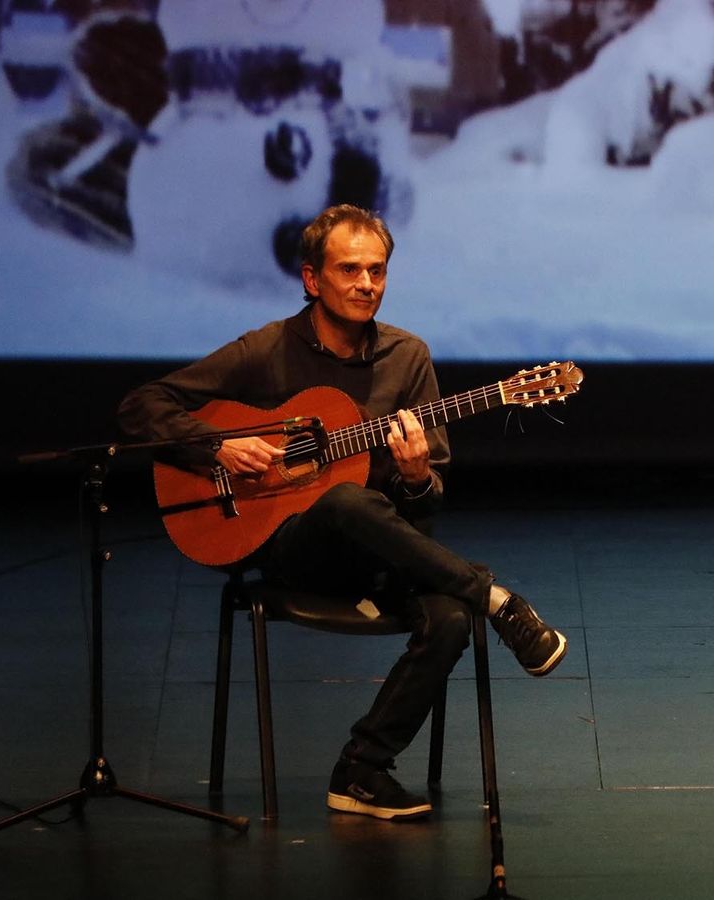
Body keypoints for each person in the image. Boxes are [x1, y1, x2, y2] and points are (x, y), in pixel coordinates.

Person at [117, 204, 567, 821]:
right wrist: (216, 445)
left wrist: (414, 477)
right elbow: (143, 404)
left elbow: (428, 505)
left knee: (450, 616)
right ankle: (495, 597)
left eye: (377, 271)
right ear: (312, 279)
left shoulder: (408, 359)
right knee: (346, 500)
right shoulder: (268, 350)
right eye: (350, 269)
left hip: (381, 556)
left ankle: (362, 768)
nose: (366, 284)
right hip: (285, 550)